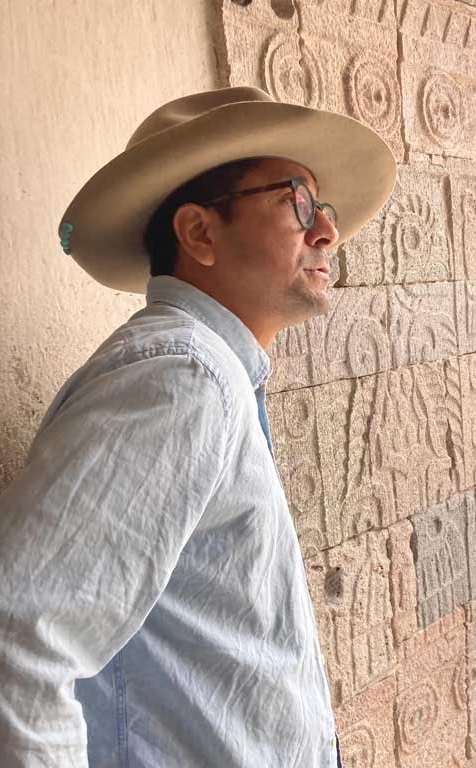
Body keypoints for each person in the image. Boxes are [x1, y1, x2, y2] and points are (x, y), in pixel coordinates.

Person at [0, 86, 396, 767]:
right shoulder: (180, 378)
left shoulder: (209, 373)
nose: (326, 230)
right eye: (295, 202)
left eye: (322, 209)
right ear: (200, 233)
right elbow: (20, 640)